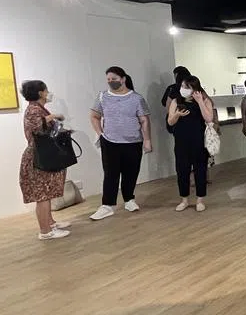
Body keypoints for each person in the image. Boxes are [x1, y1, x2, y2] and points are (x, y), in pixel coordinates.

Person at [89, 66, 152, 220]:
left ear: (123, 79)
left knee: (131, 172)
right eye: (109, 79)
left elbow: (144, 120)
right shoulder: (103, 96)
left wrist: (147, 140)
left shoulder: (136, 98)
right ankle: (107, 205)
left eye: (114, 79)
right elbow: (94, 116)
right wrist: (101, 134)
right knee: (110, 174)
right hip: (110, 142)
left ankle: (129, 199)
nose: (111, 82)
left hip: (133, 142)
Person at [18, 80, 70, 240]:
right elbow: (37, 129)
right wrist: (53, 117)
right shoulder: (34, 110)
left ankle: (50, 223)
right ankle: (45, 231)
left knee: (47, 191)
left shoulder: (38, 108)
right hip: (39, 156)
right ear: (40, 93)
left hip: (44, 154)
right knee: (43, 194)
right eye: (46, 90)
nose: (48, 93)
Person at [167, 75, 214, 212]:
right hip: (181, 141)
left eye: (187, 87)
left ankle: (200, 200)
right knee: (182, 171)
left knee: (200, 170)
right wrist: (177, 115)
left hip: (199, 141)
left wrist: (200, 102)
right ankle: (184, 200)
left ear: (195, 88)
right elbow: (170, 121)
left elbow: (209, 118)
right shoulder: (176, 101)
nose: (183, 89)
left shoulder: (205, 100)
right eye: (182, 86)